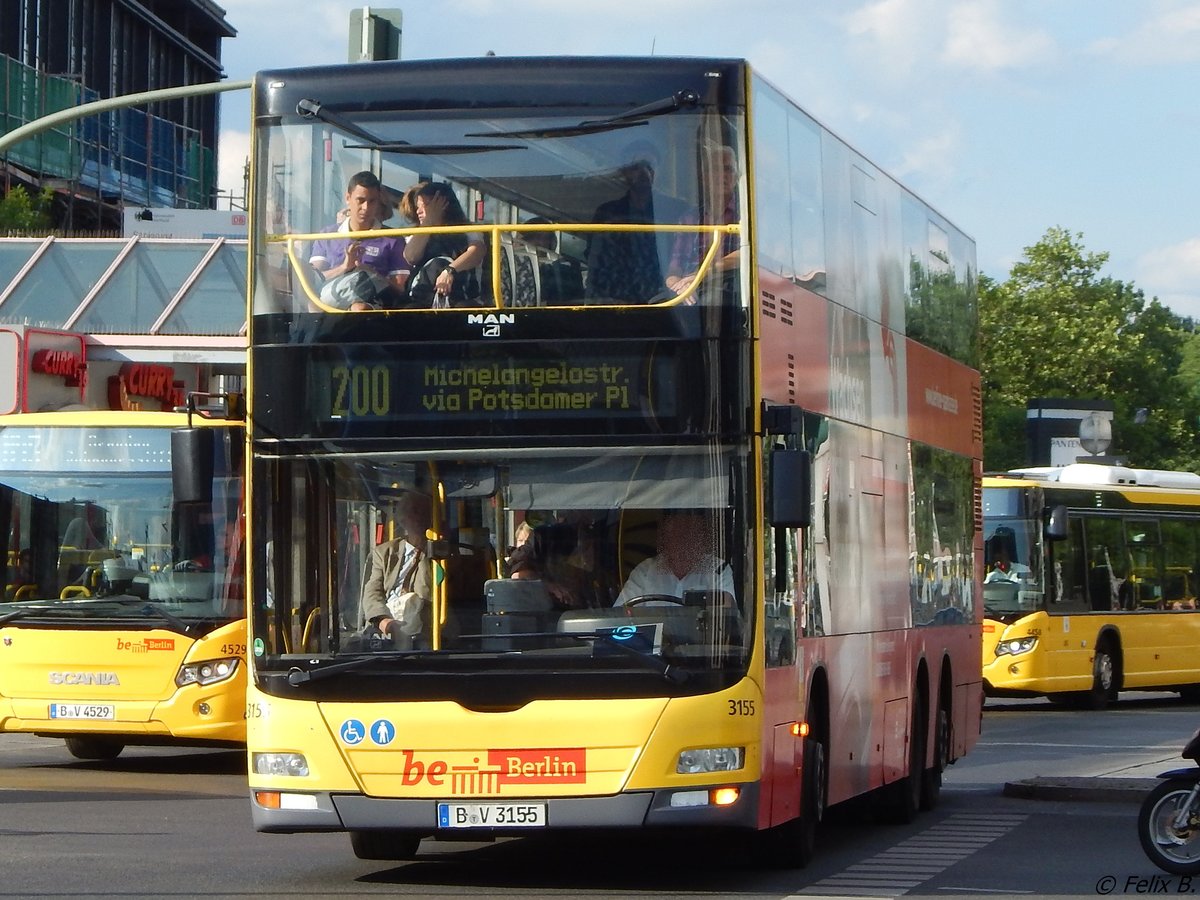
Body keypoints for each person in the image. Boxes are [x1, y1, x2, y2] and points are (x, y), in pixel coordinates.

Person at [308, 170, 409, 310]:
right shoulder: (327, 235)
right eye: (360, 201)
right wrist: (344, 267)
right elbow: (313, 280)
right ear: (347, 198)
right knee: (313, 303)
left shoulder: (394, 239)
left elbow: (399, 289)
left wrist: (370, 273)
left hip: (373, 305)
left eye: (372, 201)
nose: (366, 208)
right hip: (330, 302)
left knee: (359, 308)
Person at [585, 141, 671, 303]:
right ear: (624, 172)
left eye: (649, 166)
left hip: (664, 301)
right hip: (615, 299)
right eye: (636, 167)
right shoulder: (607, 213)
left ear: (658, 171)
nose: (644, 172)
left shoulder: (674, 210)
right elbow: (595, 261)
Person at [665, 144, 741, 302]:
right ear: (705, 177)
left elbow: (745, 255)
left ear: (736, 177)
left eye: (728, 169)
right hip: (691, 289)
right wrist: (680, 287)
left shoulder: (745, 216)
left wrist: (699, 276)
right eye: (716, 169)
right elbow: (674, 268)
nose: (722, 176)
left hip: (728, 289)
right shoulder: (689, 219)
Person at [360, 492, 434, 648]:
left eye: (424, 512)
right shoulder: (384, 552)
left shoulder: (438, 552)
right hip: (385, 624)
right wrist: (384, 621)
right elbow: (372, 591)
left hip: (421, 630)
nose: (419, 517)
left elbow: (427, 591)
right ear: (402, 519)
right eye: (413, 512)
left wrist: (426, 548)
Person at [615, 509, 734, 605]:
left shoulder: (718, 569)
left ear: (700, 537)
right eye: (676, 534)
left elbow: (727, 614)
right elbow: (622, 614)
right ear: (664, 537)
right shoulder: (645, 571)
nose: (681, 542)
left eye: (687, 534)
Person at [401, 181, 487, 307]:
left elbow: (476, 252)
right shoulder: (417, 235)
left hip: (459, 295)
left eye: (425, 205)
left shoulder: (468, 230)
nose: (418, 211)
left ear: (443, 204)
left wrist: (450, 270)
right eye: (417, 207)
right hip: (424, 297)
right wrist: (428, 222)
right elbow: (411, 257)